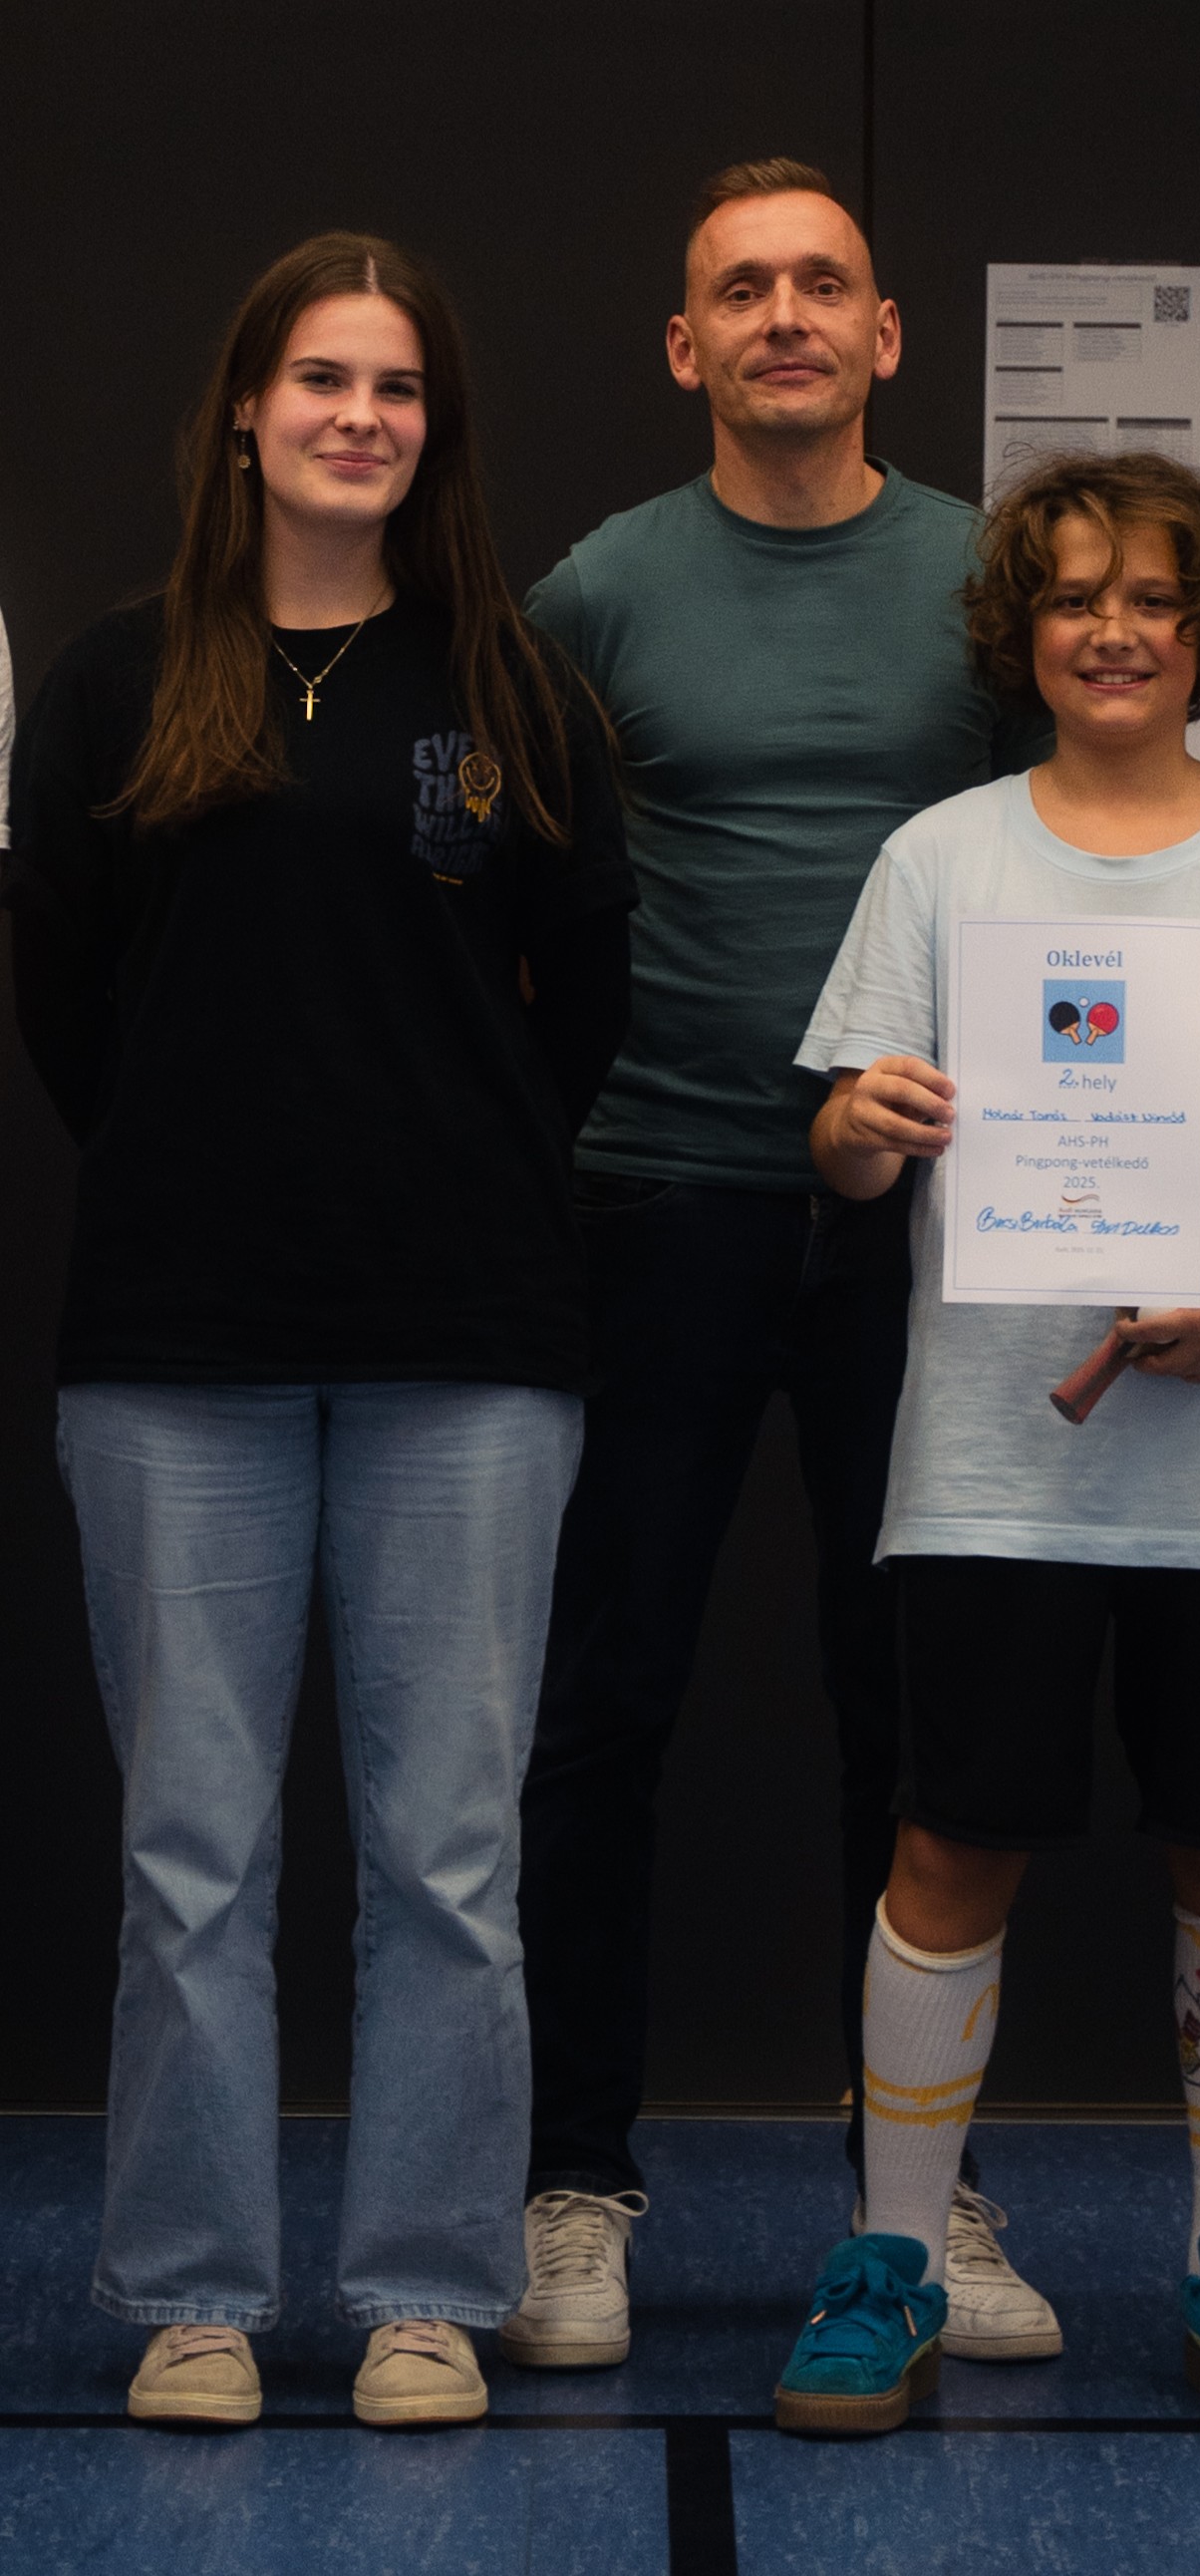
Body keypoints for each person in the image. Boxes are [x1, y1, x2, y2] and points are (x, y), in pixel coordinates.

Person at [3, 233, 634, 2431]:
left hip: (469, 1337)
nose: (360, 416)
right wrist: (214, 1166)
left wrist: (437, 1162)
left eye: (398, 387)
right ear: (247, 413)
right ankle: (193, 2288)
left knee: (447, 1855)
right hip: (176, 1342)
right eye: (322, 379)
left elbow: (585, 1004)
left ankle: (423, 2289)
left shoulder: (515, 685)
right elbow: (68, 1005)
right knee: (192, 1853)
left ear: (433, 431)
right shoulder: (116, 680)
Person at [501, 160, 1056, 2376]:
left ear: (885, 333)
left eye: (823, 283)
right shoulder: (597, 591)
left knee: (907, 1710)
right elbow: (505, 893)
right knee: (602, 1700)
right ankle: (570, 2181)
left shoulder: (987, 582)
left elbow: (1077, 858)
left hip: (936, 1219)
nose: (785, 316)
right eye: (742, 290)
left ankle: (915, 2194)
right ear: (686, 346)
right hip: (657, 1199)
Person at [781, 450, 1200, 2436]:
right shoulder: (940, 856)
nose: (1111, 630)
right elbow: (845, 1146)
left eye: (1149, 596)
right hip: (991, 1463)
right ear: (1016, 632)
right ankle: (890, 2253)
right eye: (1068, 597)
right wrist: (859, 1126)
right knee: (950, 1841)